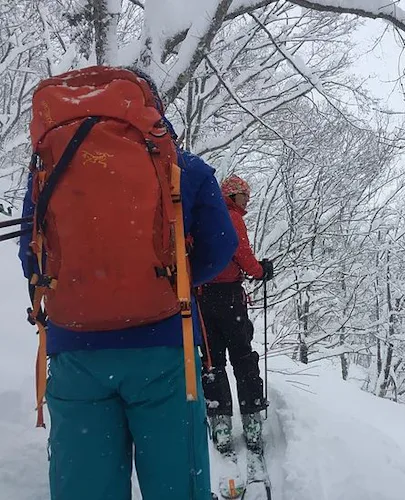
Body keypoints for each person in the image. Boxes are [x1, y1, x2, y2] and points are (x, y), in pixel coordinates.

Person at [19, 66, 238, 500]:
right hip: (164, 349)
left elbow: (31, 256)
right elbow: (220, 248)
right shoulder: (185, 168)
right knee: (178, 487)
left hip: (75, 352)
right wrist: (171, 277)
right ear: (152, 109)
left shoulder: (50, 171)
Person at [199, 174, 274, 453]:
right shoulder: (231, 217)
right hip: (229, 296)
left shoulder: (203, 216)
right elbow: (242, 254)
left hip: (203, 297)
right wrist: (260, 271)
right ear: (232, 196)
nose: (247, 200)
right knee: (242, 356)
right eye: (244, 195)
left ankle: (220, 424)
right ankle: (252, 420)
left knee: (212, 360)